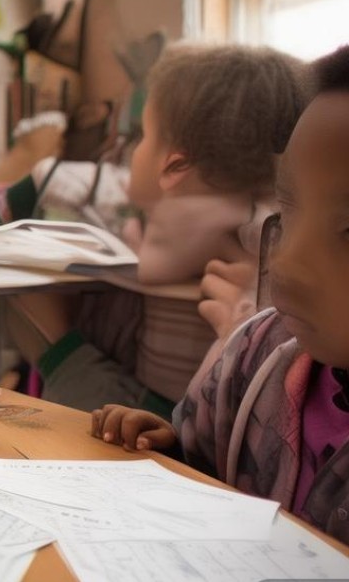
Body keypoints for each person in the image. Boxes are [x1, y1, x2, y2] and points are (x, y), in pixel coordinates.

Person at [91, 44, 349, 543]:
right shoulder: (254, 355)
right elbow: (207, 467)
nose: (284, 262)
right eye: (288, 210)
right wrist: (172, 453)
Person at [10, 44, 310, 416]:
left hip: (165, 407)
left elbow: (150, 269)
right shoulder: (270, 214)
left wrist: (132, 241)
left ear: (174, 166)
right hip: (217, 401)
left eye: (143, 136)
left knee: (23, 299)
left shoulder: (190, 214)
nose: (133, 152)